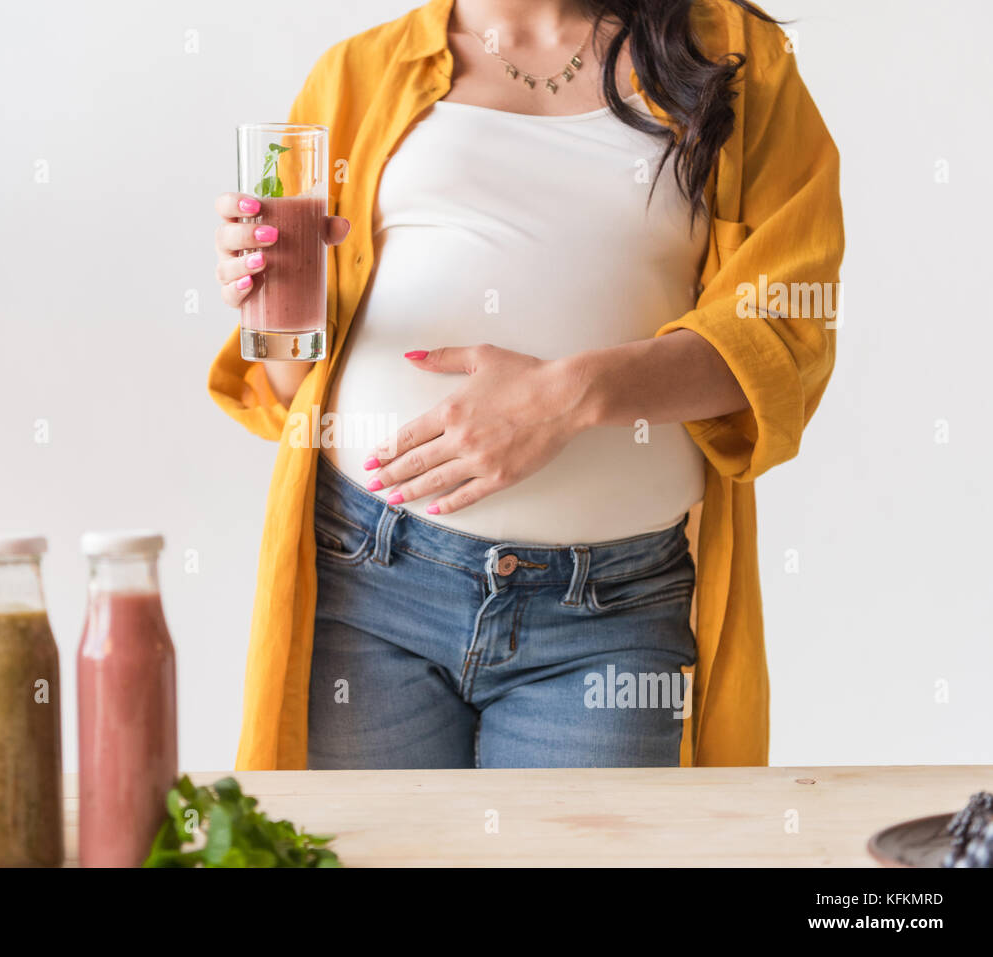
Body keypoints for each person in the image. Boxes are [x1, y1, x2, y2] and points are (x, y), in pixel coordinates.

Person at [209, 0, 841, 769]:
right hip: (370, 579)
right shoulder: (359, 73)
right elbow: (290, 381)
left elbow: (782, 332)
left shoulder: (733, 57)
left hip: (609, 610)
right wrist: (267, 295)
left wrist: (566, 397)